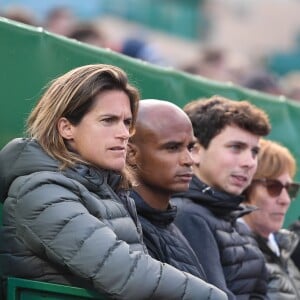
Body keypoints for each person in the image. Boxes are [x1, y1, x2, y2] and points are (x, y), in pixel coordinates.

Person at [0, 64, 227, 300]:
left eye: (126, 122)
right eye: (108, 120)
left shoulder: (107, 189)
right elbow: (128, 275)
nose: (124, 133)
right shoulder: (39, 191)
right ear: (66, 128)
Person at [172, 95, 271, 299]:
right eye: (236, 147)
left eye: (254, 152)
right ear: (196, 152)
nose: (250, 162)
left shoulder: (235, 220)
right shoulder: (188, 216)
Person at [127, 99, 209, 280]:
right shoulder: (128, 226)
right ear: (131, 153)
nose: (189, 160)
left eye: (190, 147)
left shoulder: (166, 222)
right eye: (172, 148)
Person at [242, 139, 300, 299]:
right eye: (273, 187)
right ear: (245, 187)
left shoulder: (283, 248)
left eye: (290, 189)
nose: (286, 200)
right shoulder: (236, 254)